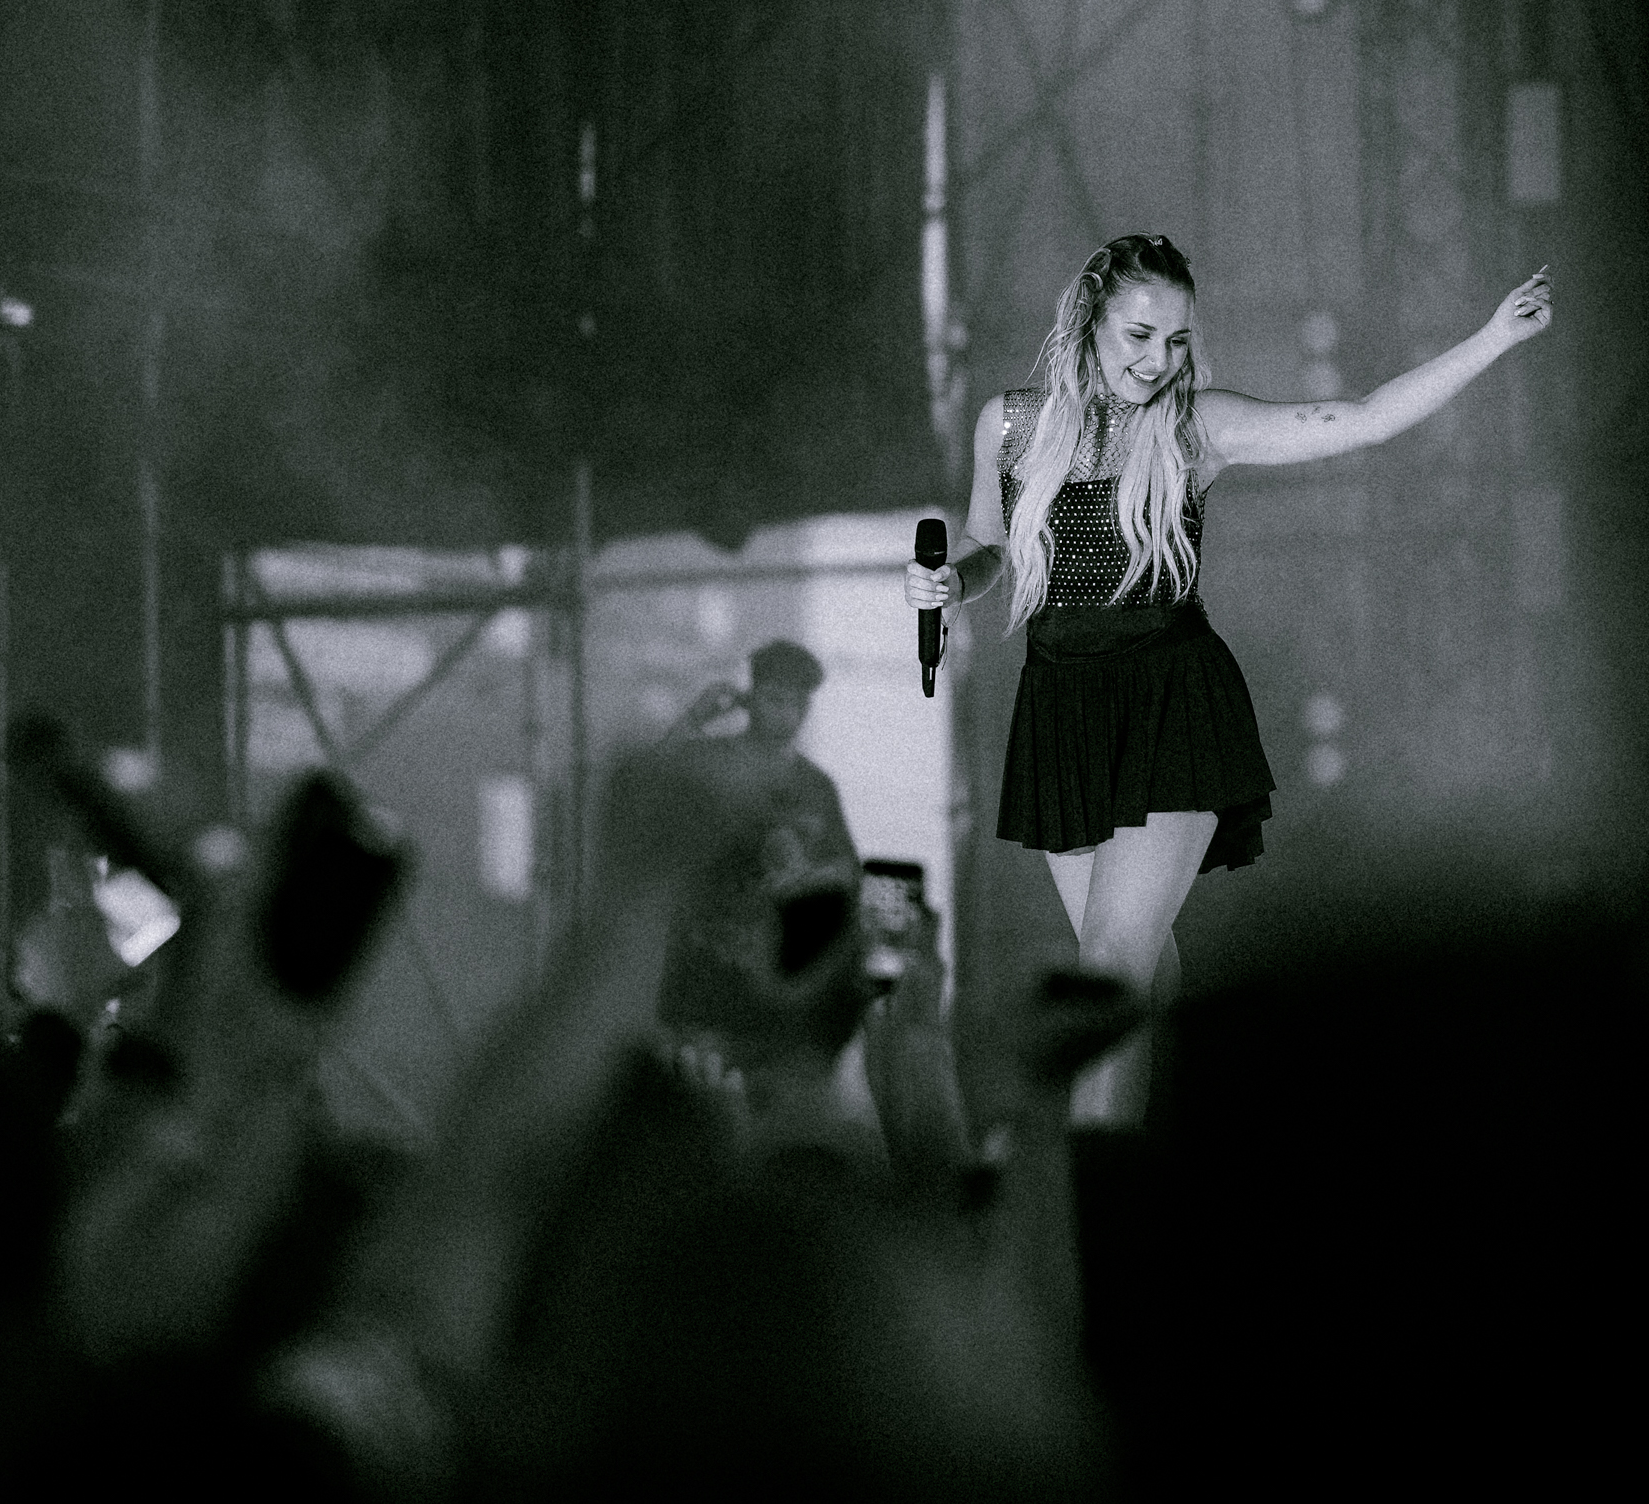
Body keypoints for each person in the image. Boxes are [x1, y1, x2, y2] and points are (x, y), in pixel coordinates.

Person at [904, 233, 1552, 1128]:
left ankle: (1088, 1184)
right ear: (1089, 321)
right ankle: (1178, 1152)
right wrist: (950, 580)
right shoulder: (1010, 425)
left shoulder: (1194, 426)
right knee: (1143, 981)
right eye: (1139, 335)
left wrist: (1493, 337)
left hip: (1171, 702)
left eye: (1176, 341)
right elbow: (986, 544)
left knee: (1108, 972)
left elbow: (1360, 418)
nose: (1157, 361)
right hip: (1063, 709)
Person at [655, 641, 873, 1150]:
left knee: (771, 1119)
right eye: (775, 699)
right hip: (703, 964)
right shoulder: (710, 761)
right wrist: (694, 719)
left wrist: (804, 874)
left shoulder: (816, 787)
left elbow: (847, 874)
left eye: (798, 703)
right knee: (693, 1113)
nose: (787, 715)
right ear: (751, 697)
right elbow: (651, 793)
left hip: (776, 982)